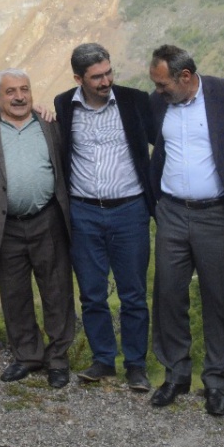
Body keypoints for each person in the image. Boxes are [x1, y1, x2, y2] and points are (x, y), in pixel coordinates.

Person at [147, 44, 224, 415]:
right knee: (168, 294)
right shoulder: (159, 103)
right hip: (171, 212)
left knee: (220, 297)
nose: (157, 91)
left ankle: (217, 382)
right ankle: (176, 374)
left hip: (216, 215)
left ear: (186, 76)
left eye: (162, 84)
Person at [0, 70, 75, 389]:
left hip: (48, 221)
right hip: (3, 226)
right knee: (14, 295)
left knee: (57, 292)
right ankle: (28, 356)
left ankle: (58, 359)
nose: (19, 97)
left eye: (24, 89)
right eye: (10, 91)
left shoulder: (49, 124)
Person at [53, 43, 157, 392]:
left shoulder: (134, 101)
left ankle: (136, 365)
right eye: (97, 76)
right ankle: (103, 359)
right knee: (92, 292)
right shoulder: (63, 105)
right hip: (83, 212)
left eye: (108, 72)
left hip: (130, 210)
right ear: (78, 79)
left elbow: (164, 140)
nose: (106, 80)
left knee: (133, 293)